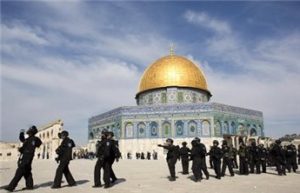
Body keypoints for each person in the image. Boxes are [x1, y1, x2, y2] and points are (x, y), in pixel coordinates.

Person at [5, 126, 42, 192]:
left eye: (29, 130)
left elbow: (30, 148)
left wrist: (25, 152)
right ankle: (29, 186)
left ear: (31, 131)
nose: (28, 130)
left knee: (19, 172)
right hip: (27, 158)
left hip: (26, 158)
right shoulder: (30, 139)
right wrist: (21, 134)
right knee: (27, 172)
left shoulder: (33, 139)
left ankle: (11, 187)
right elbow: (24, 142)